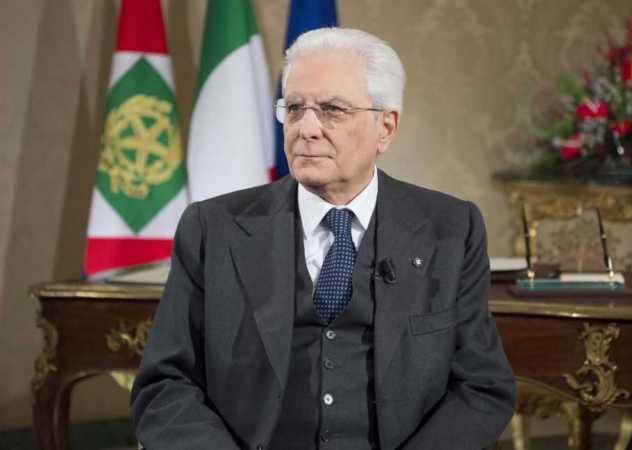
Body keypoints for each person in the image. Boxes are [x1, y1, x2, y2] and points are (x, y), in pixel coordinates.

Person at [131, 27, 515, 450]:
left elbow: (482, 386)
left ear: (386, 127)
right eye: (294, 108)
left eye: (332, 109)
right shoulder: (212, 228)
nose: (307, 128)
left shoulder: (450, 228)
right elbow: (164, 385)